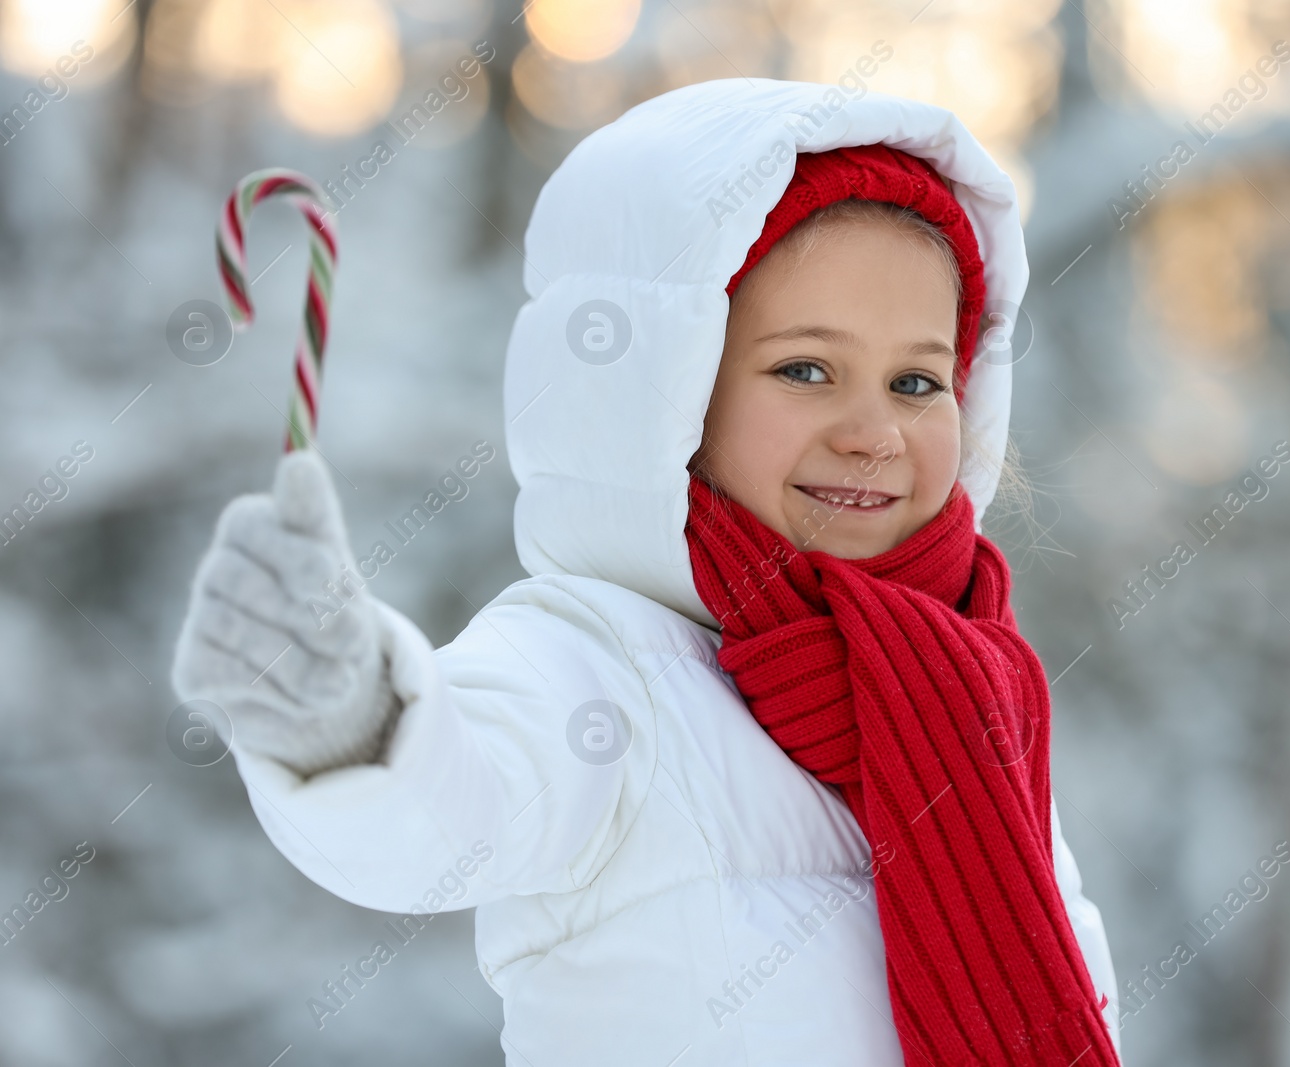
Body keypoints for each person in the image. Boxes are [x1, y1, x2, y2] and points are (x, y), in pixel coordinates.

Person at [170, 77, 1121, 1066]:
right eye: (804, 369)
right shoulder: (594, 670)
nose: (876, 432)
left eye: (916, 382)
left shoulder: (969, 689)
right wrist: (350, 718)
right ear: (665, 392)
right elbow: (446, 807)